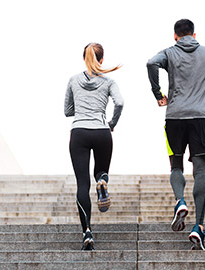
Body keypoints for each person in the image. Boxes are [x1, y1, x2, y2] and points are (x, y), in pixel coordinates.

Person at [146, 19, 205, 250]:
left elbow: (151, 63)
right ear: (194, 34)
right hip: (201, 118)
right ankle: (198, 226)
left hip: (174, 117)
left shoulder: (169, 53)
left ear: (175, 36)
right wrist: (201, 96)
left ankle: (180, 201)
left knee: (176, 165)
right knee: (200, 169)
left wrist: (158, 93)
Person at [64, 43, 124, 251]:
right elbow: (120, 103)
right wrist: (112, 123)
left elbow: (67, 110)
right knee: (101, 171)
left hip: (79, 132)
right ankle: (102, 181)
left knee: (82, 184)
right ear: (102, 60)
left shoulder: (73, 80)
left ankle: (87, 231)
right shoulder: (109, 81)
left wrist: (81, 108)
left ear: (84, 59)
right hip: (101, 131)